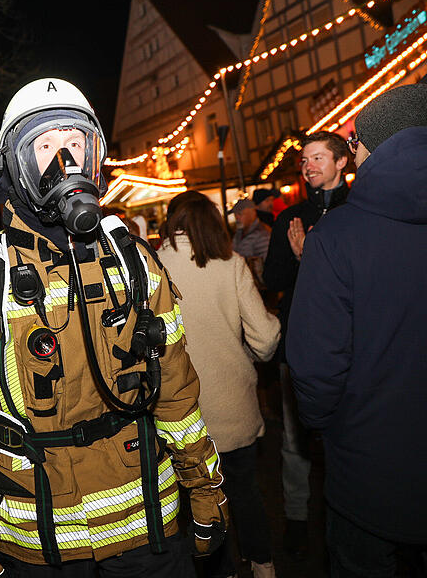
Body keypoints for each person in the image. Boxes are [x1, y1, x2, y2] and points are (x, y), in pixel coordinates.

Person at [0, 78, 227, 577]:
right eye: (45, 146)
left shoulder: (133, 260)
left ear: (94, 153)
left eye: (74, 143)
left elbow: (174, 382)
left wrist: (204, 484)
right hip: (41, 532)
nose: (65, 160)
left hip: (145, 519)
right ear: (16, 165)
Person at [287, 84, 427, 577]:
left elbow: (315, 366)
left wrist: (325, 426)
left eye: (355, 143)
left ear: (372, 146)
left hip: (368, 466)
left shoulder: (336, 236)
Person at [159, 191, 280, 578]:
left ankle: (220, 571)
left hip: (181, 414)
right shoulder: (232, 264)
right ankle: (263, 567)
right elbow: (265, 337)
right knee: (245, 492)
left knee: (197, 503)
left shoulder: (153, 266)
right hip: (233, 406)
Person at [261, 130, 350, 559]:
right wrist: (297, 260)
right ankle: (296, 518)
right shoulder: (290, 219)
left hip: (351, 343)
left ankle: (347, 516)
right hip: (298, 341)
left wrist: (309, 258)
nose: (308, 166)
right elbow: (273, 279)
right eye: (304, 161)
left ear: (341, 162)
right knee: (294, 439)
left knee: (348, 434)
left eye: (317, 158)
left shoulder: (356, 211)